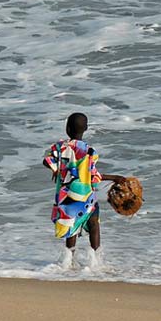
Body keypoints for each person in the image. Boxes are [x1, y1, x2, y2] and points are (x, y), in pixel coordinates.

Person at [42, 112, 125, 268]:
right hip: (86, 197)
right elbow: (94, 176)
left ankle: (68, 260)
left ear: (67, 128)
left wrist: (56, 169)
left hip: (67, 197)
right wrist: (114, 177)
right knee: (94, 224)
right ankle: (95, 261)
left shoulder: (60, 147)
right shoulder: (89, 151)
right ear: (86, 128)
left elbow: (47, 161)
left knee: (71, 226)